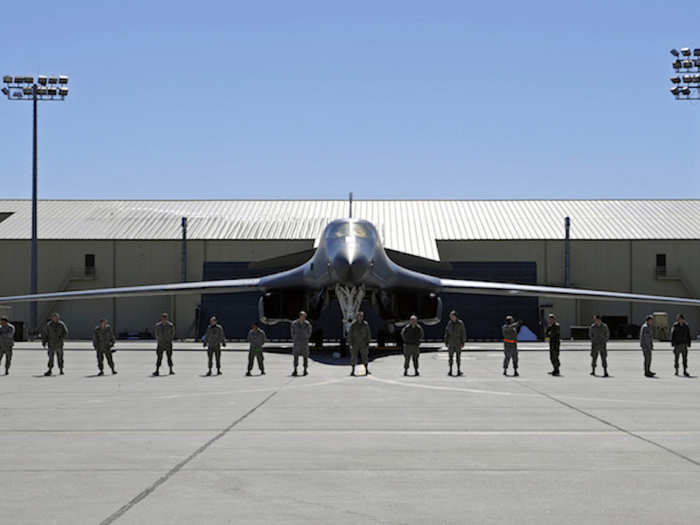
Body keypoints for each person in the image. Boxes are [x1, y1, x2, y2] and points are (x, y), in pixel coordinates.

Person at [349, 311, 371, 376]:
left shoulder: (365, 324)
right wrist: (350, 343)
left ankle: (366, 370)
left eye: (361, 316)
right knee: (353, 357)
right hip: (355, 343)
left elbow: (368, 334)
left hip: (363, 343)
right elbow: (350, 334)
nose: (360, 317)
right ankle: (353, 371)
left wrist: (368, 342)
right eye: (359, 316)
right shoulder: (353, 325)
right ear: (357, 317)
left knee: (365, 357)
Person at [444, 310, 466, 376]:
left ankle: (458, 370)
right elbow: (446, 333)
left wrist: (463, 342)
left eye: (452, 316)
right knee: (450, 357)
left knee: (458, 357)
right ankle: (450, 370)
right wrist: (446, 342)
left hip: (458, 343)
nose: (451, 317)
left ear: (455, 316)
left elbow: (463, 333)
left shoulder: (460, 323)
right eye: (450, 316)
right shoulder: (449, 323)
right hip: (451, 343)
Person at [290, 311, 312, 376]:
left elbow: (309, 332)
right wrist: (295, 339)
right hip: (297, 343)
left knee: (305, 357)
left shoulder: (307, 324)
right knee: (295, 357)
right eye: (303, 316)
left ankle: (305, 370)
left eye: (305, 316)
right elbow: (292, 332)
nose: (304, 317)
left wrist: (306, 338)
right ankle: (295, 369)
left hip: (304, 343)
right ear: (300, 316)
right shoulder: (294, 323)